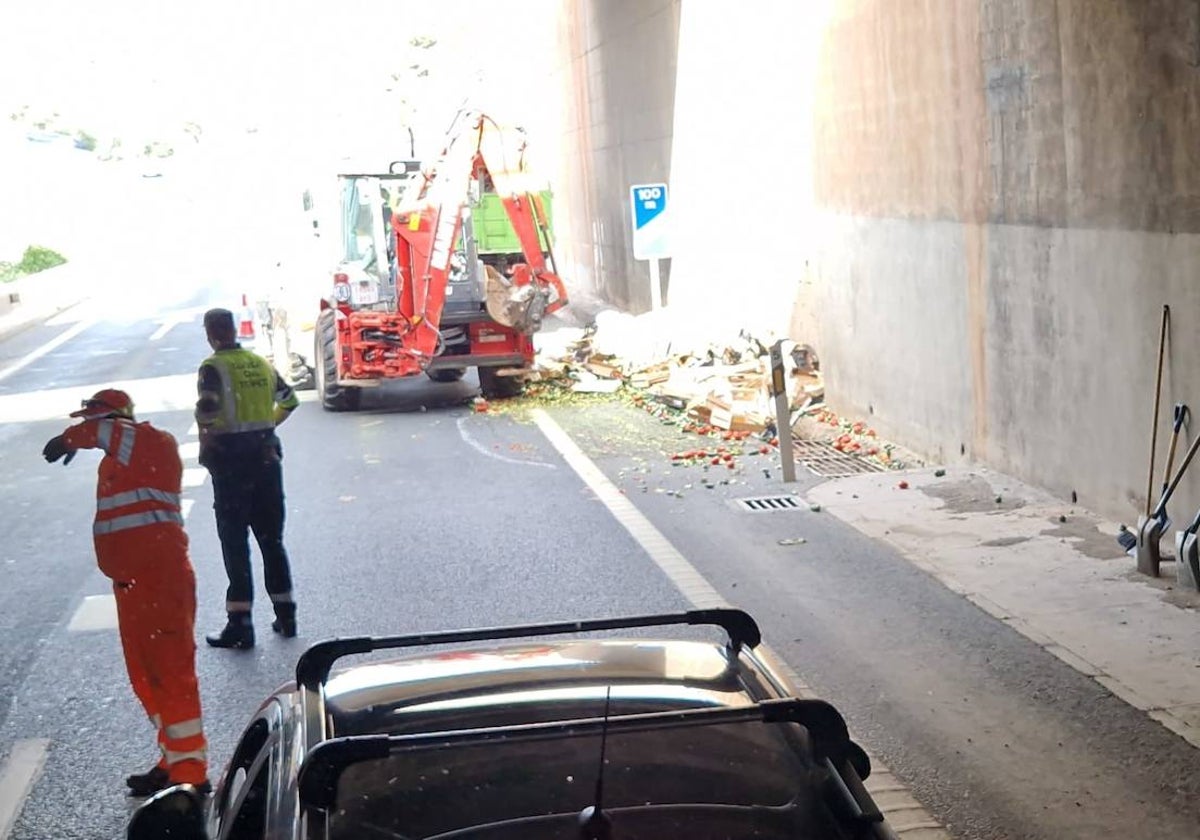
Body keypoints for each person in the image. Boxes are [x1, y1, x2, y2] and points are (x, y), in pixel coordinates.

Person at [42, 389, 209, 797]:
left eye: (96, 418)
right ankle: (173, 760)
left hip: (160, 581)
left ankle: (190, 775)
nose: (90, 426)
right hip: (133, 586)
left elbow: (106, 431)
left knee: (172, 675)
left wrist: (68, 438)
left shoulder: (151, 441)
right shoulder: (118, 461)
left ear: (114, 417)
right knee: (146, 678)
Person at [196, 307, 300, 649]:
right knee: (272, 541)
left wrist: (207, 441)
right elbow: (290, 400)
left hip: (232, 468)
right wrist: (266, 426)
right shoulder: (260, 364)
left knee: (235, 544)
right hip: (267, 462)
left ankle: (240, 624)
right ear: (233, 330)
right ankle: (286, 617)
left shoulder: (213, 367)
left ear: (211, 333)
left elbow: (208, 411)